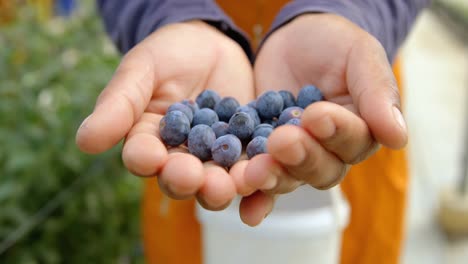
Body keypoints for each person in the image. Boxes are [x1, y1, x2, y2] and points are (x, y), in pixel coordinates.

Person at [76, 1, 430, 263]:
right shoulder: (197, 131)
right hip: (189, 181)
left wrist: (352, 12)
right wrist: (166, 15)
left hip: (341, 99)